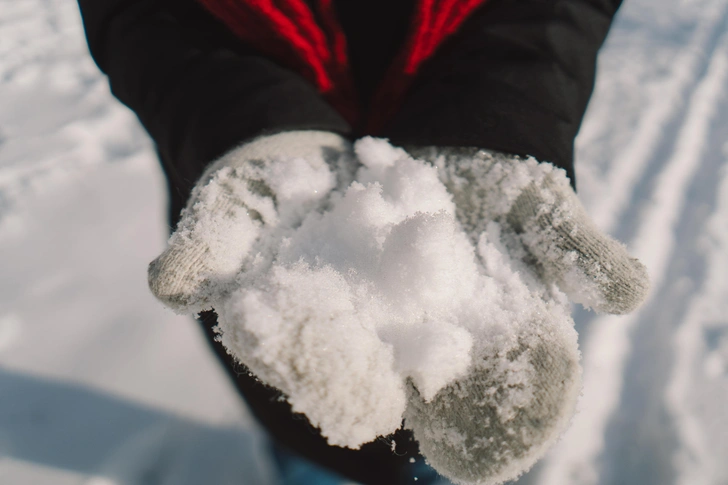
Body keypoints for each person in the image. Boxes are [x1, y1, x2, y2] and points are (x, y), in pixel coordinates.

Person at [77, 1, 648, 484]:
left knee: (482, 429)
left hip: (472, 117)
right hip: (261, 239)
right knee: (320, 432)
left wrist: (505, 114)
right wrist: (242, 123)